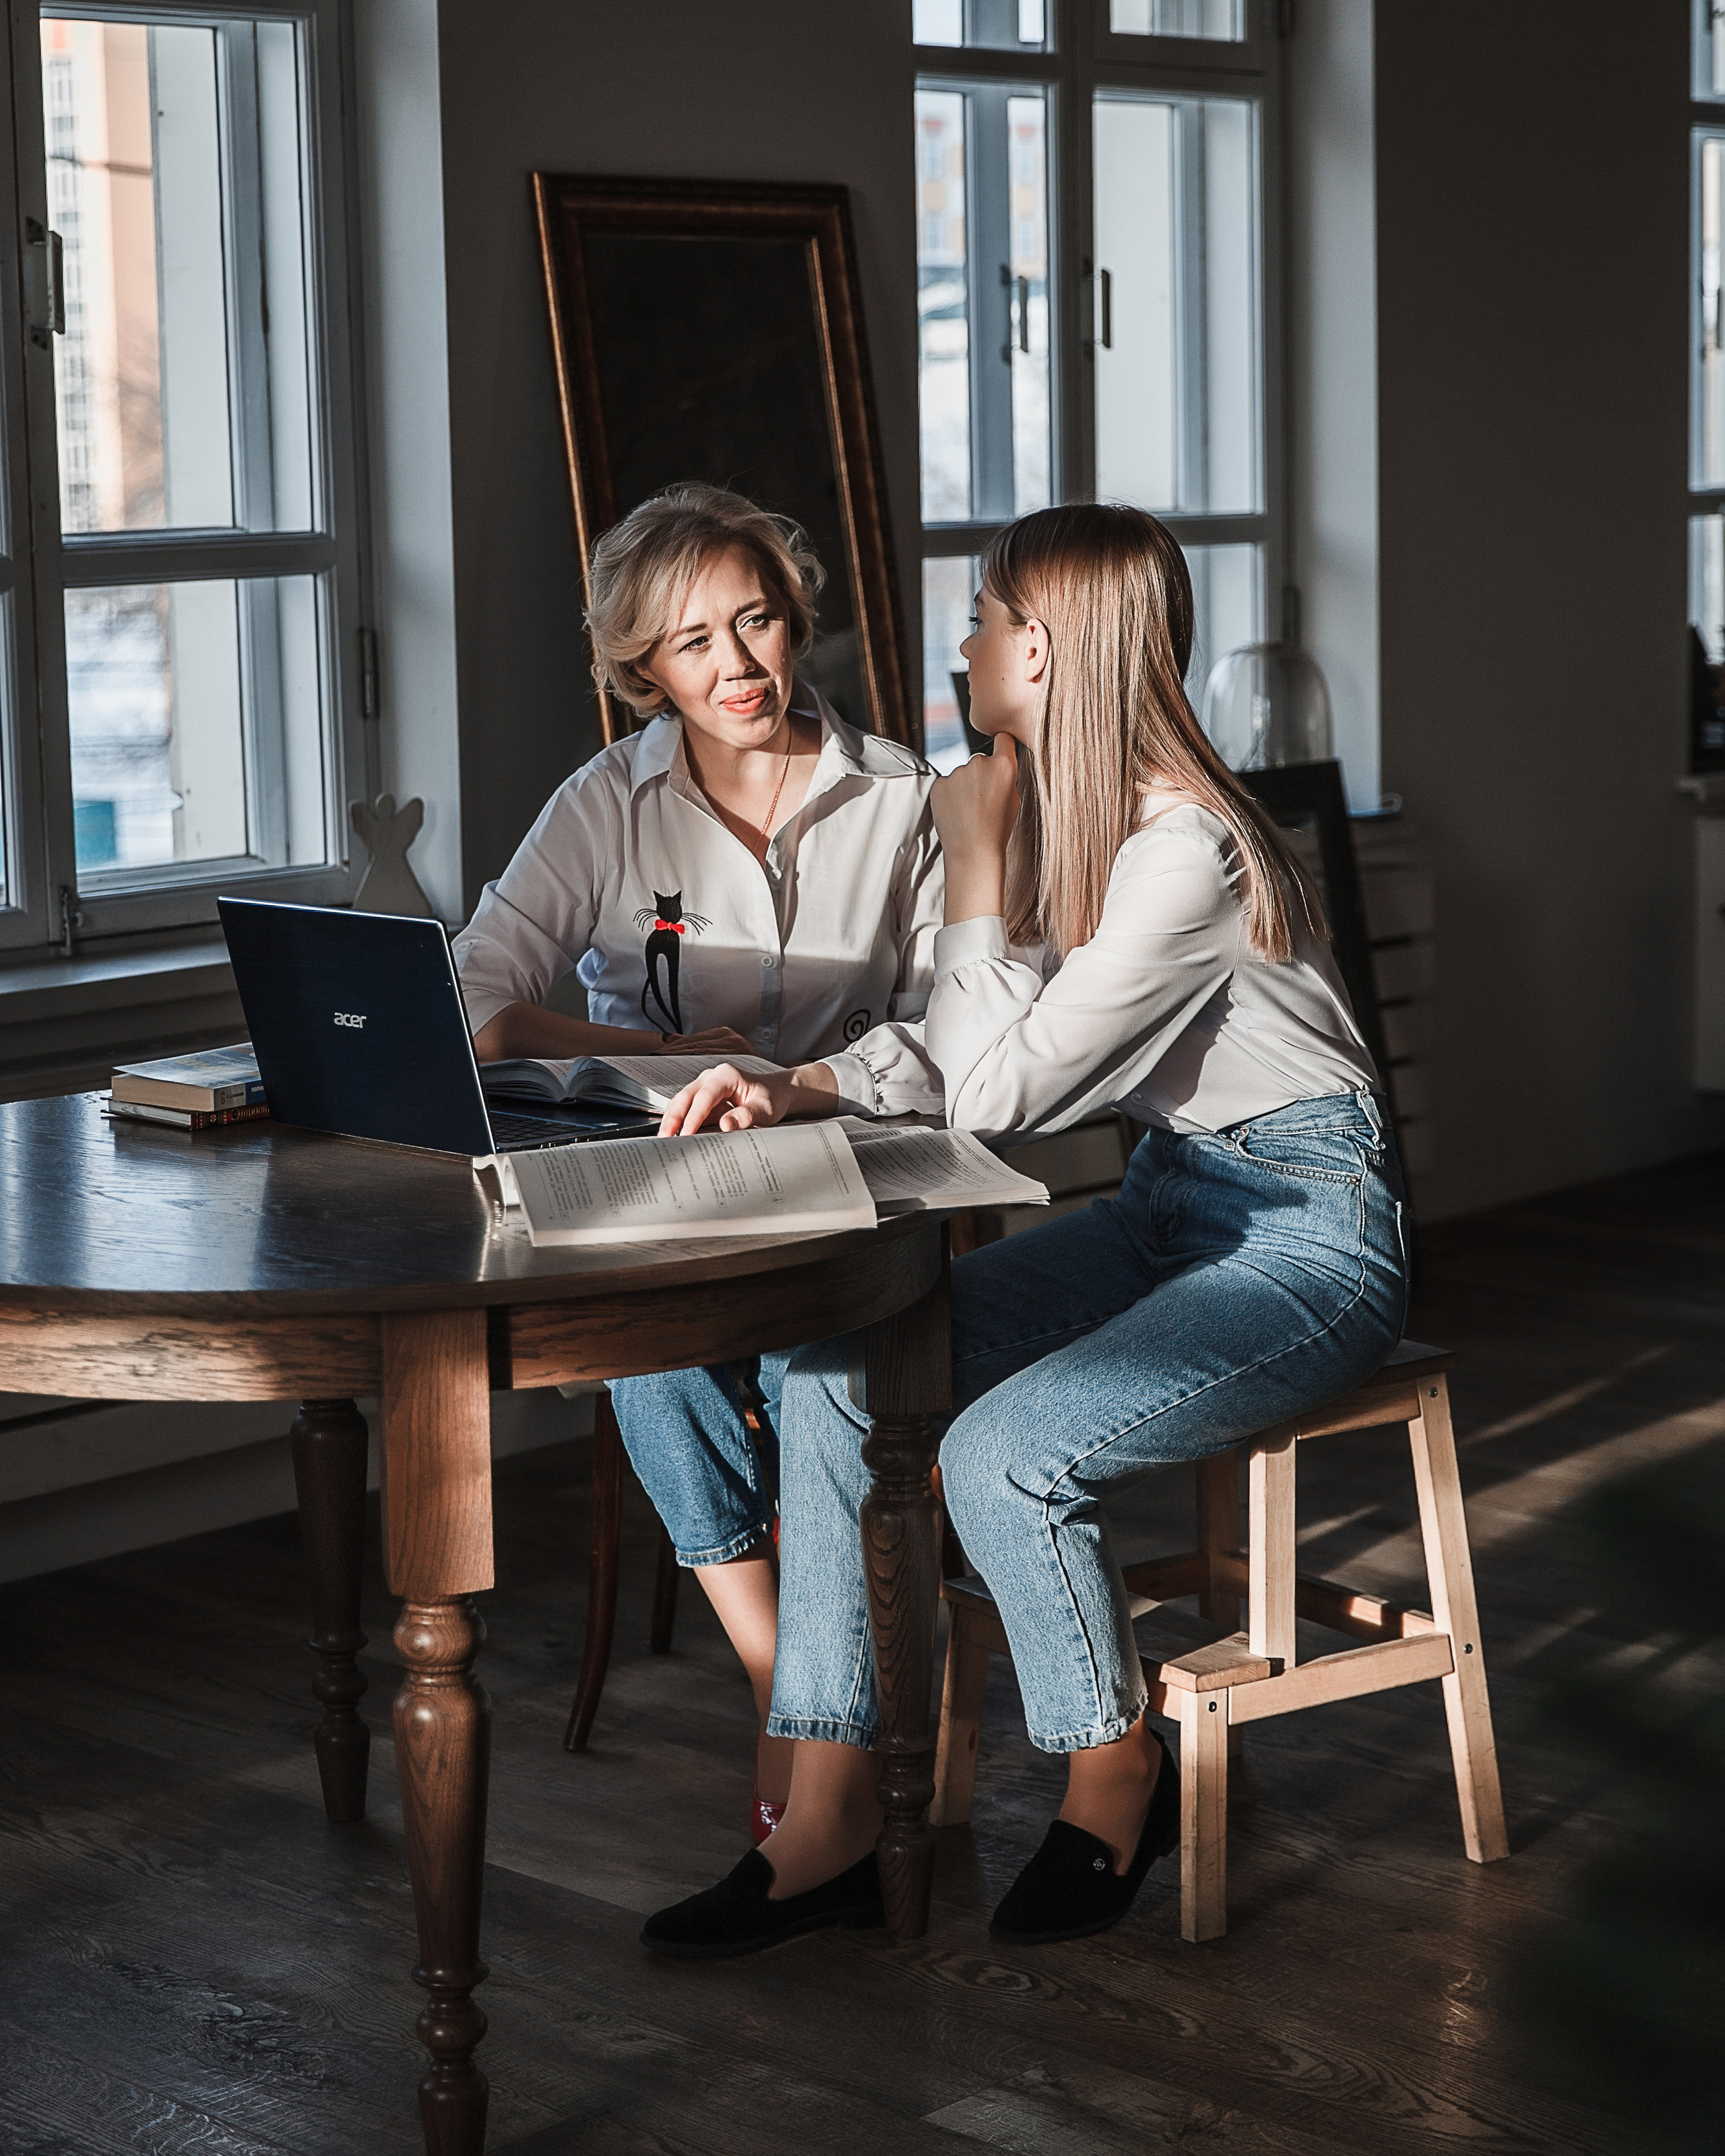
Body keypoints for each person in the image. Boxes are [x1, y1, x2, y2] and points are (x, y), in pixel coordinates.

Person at [638, 502, 1409, 1955]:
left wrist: (973, 875)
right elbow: (958, 1046)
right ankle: (831, 1812)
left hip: (1308, 1230)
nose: (963, 640)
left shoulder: (1182, 852)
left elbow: (994, 1098)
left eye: (985, 615)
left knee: (1002, 1450)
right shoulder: (1078, 809)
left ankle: (1116, 1764)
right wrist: (800, 1080)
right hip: (1171, 1197)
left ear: (1042, 649)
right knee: (830, 1379)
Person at [453, 483, 943, 1833]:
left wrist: (794, 1084)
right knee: (641, 1335)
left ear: (798, 623)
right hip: (669, 1185)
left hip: (854, 1178)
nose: (734, 668)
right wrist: (676, 1050)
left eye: (756, 622)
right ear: (639, 669)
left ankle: (819, 1724)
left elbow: (966, 1025)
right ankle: (794, 1679)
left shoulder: (905, 799)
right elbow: (475, 998)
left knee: (811, 1368)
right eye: (689, 643)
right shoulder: (608, 800)